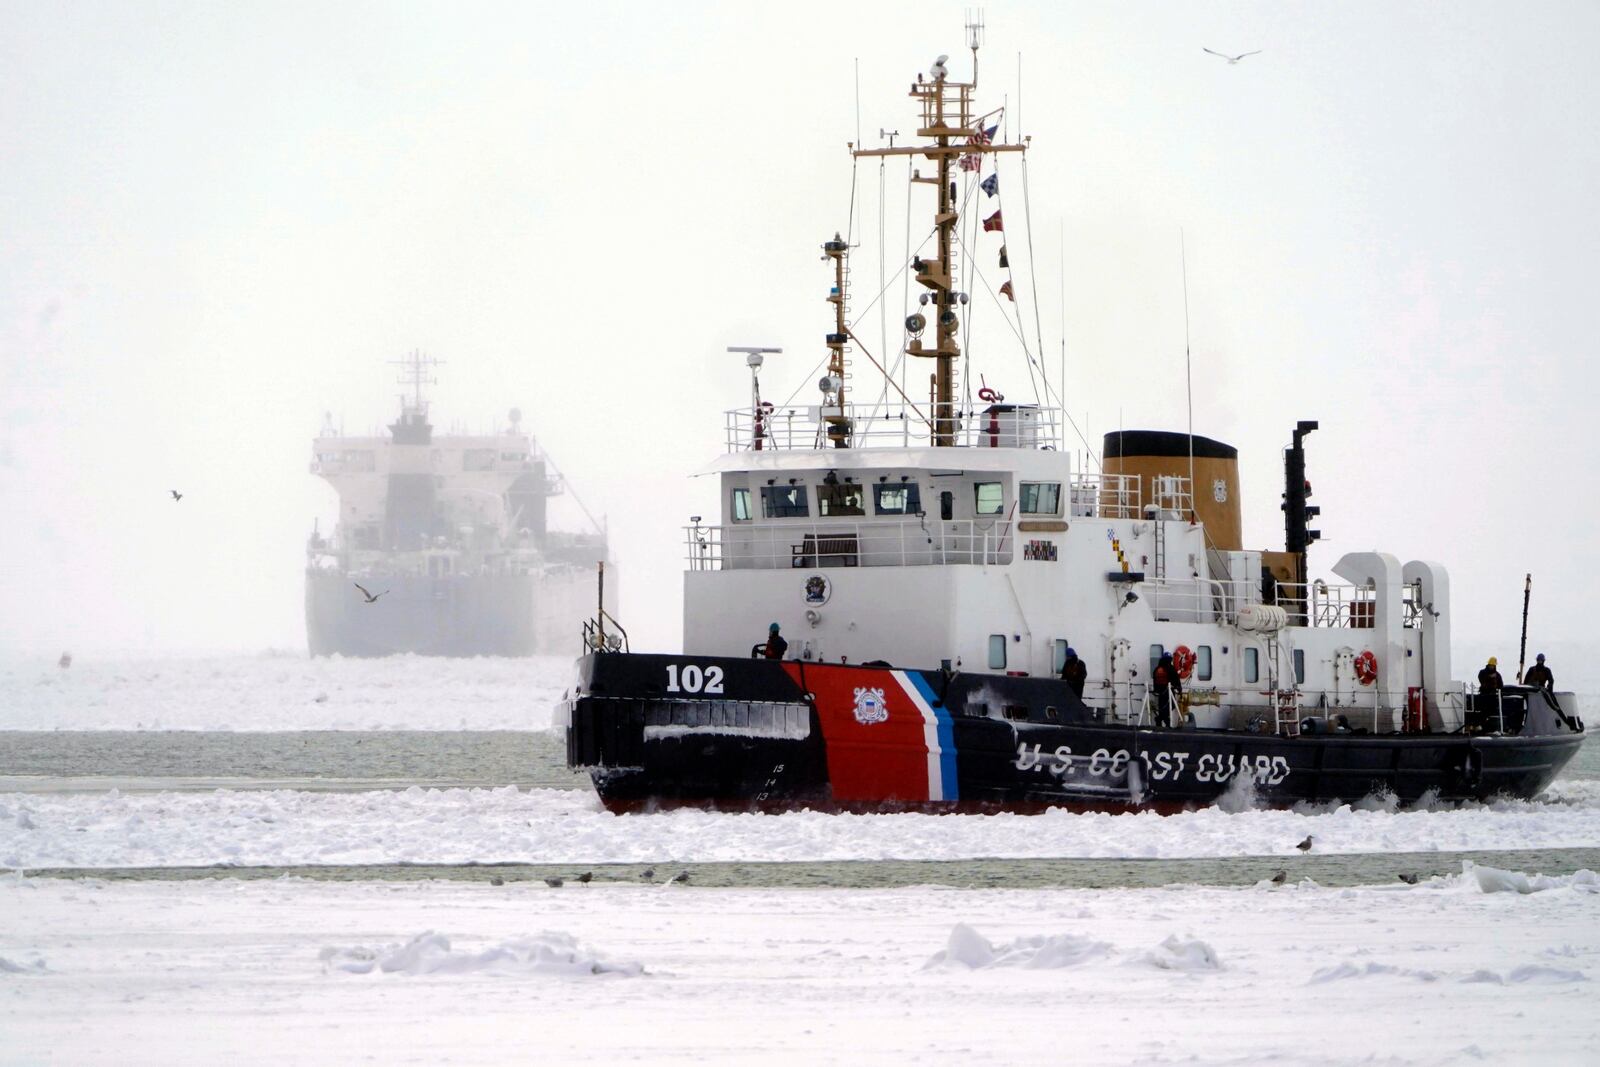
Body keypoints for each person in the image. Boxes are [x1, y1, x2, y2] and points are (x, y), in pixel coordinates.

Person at [1151, 650, 1182, 728]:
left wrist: (1156, 690)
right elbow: (1176, 679)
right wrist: (1179, 689)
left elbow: (1154, 680)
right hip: (1168, 691)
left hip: (1160, 692)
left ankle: (1160, 720)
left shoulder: (1157, 669)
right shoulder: (1170, 668)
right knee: (1171, 705)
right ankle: (1164, 720)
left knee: (1162, 707)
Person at [1475, 656, 1504, 731]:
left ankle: (1488, 726)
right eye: (1491, 665)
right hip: (1484, 695)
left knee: (1491, 711)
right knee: (1483, 711)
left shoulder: (1497, 675)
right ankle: (1481, 725)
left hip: (1493, 696)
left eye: (1493, 665)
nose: (1492, 667)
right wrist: (1489, 678)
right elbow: (1481, 680)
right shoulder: (1482, 672)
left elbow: (1501, 685)